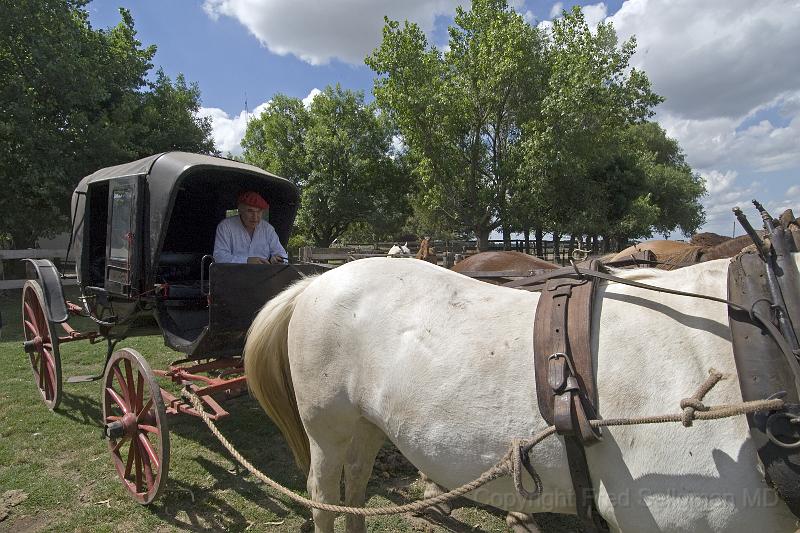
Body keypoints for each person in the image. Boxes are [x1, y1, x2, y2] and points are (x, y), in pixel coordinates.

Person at [213, 191, 288, 264]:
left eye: (259, 211)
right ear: (240, 210)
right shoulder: (226, 226)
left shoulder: (268, 229)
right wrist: (246, 261)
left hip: (264, 275)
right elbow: (219, 256)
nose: (255, 217)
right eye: (250, 211)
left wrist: (278, 259)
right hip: (233, 275)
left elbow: (282, 254)